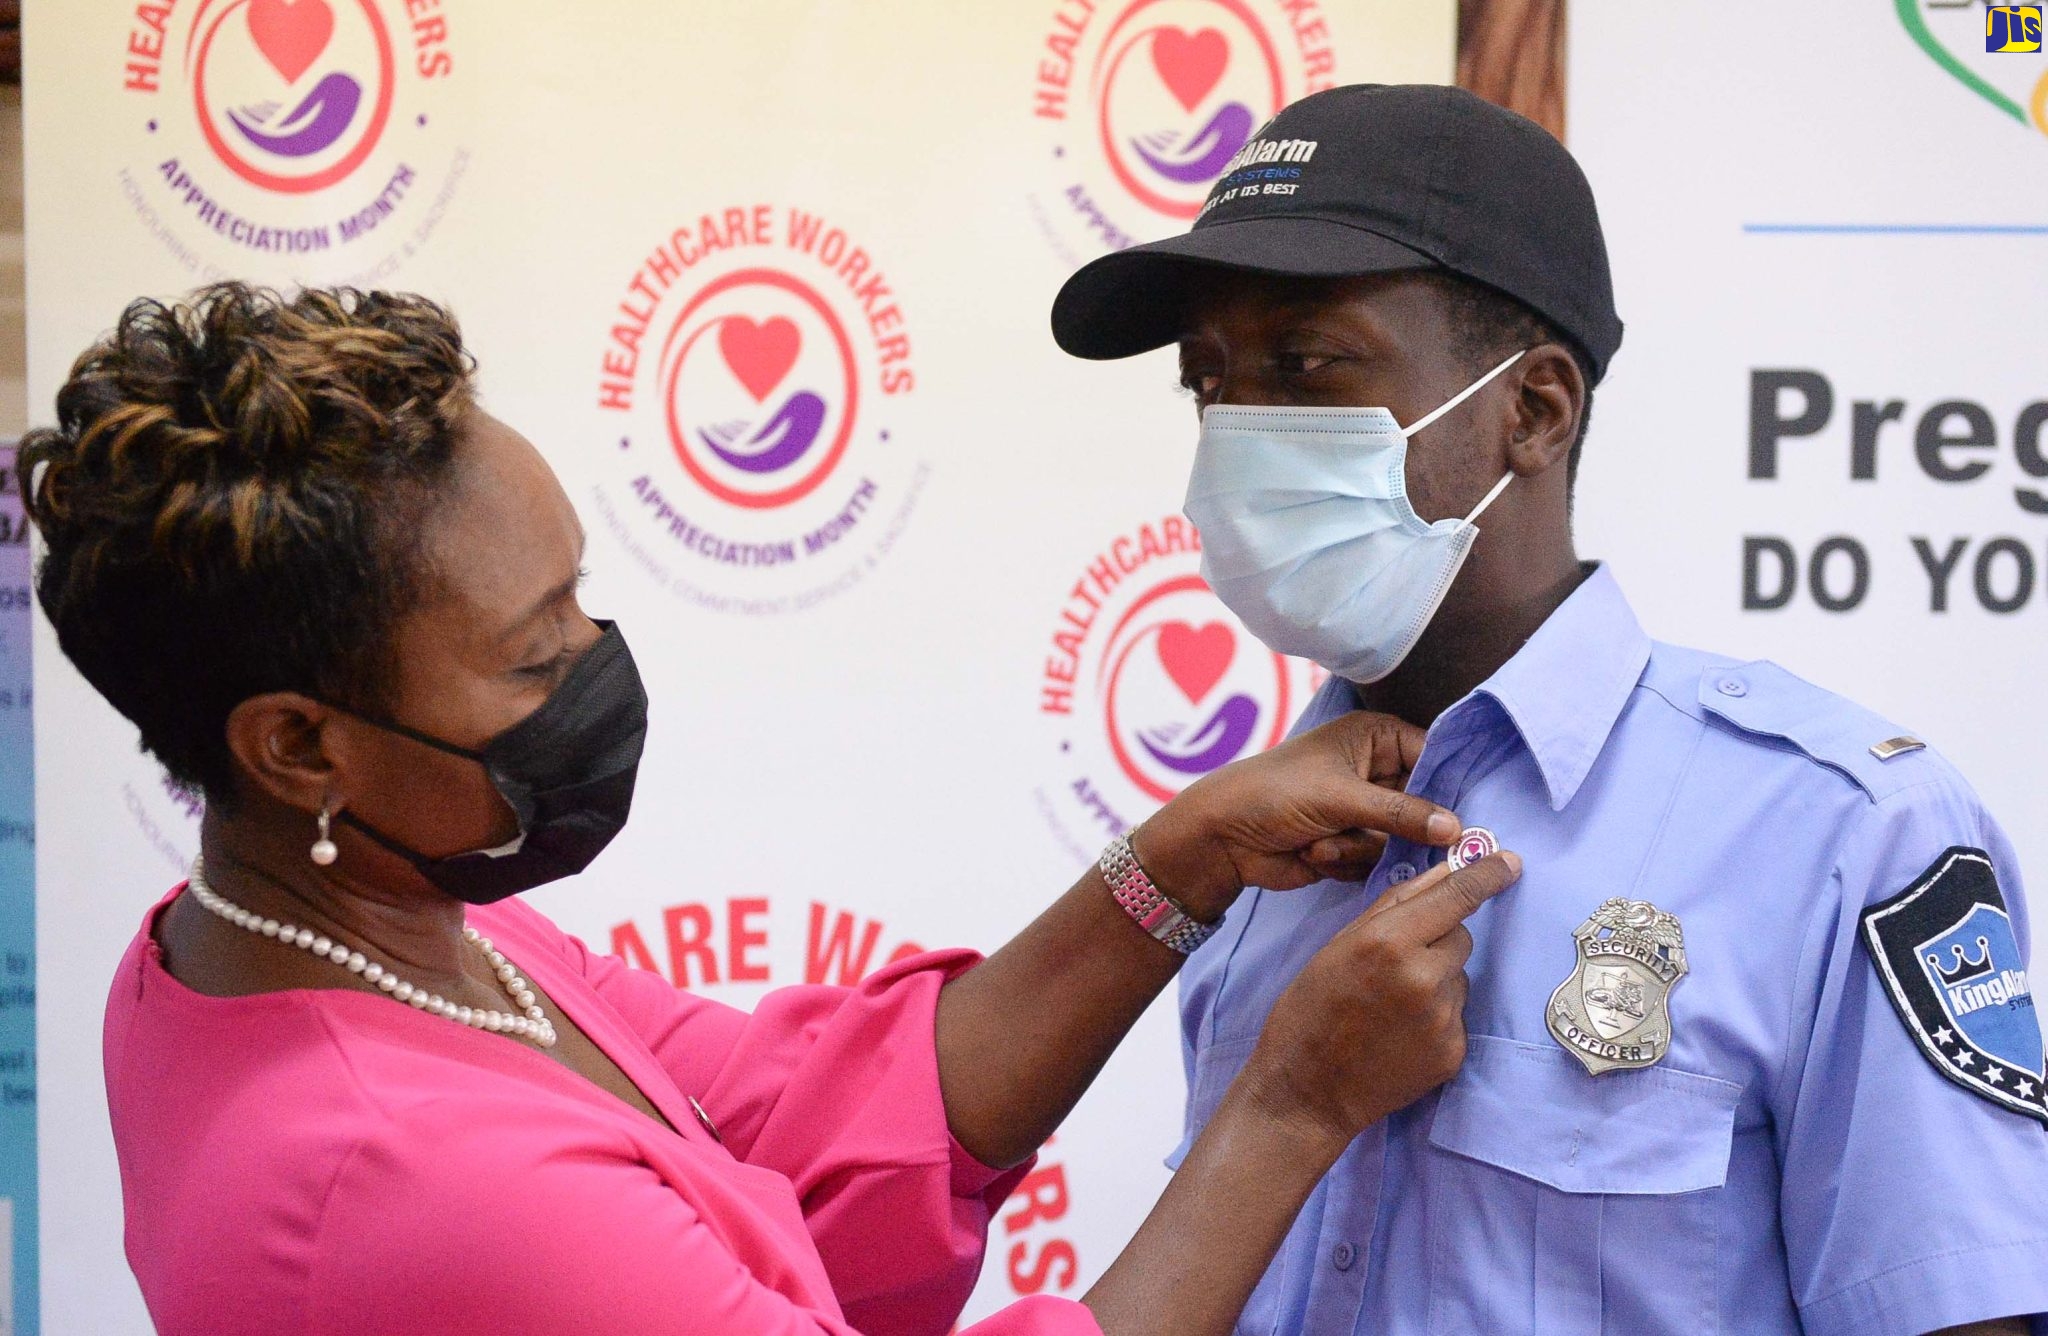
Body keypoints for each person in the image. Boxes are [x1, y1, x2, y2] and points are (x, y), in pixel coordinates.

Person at [19, 283, 1520, 1336]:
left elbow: (801, 1119)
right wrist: (1290, 1107)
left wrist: (1178, 862)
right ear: (297, 745)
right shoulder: (406, 1181)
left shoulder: (340, 930)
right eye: (535, 651)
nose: (592, 663)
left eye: (582, 599)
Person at [1050, 83, 2048, 1336]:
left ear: (1532, 410)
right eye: (1210, 385)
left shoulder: (1837, 830)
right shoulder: (1254, 849)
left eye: (1303, 366)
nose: (1244, 428)